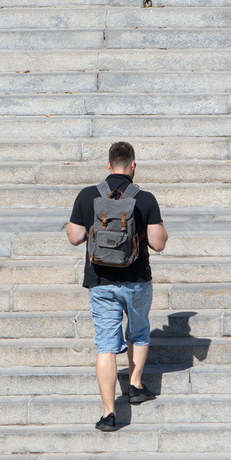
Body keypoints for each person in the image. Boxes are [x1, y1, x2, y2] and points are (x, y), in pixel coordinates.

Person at [66, 142, 168, 431]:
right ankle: (135, 385)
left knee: (107, 347)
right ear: (132, 165)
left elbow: (74, 237)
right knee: (138, 331)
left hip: (101, 282)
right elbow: (158, 243)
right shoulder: (145, 198)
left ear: (108, 166)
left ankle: (109, 413)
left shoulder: (88, 195)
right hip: (136, 280)